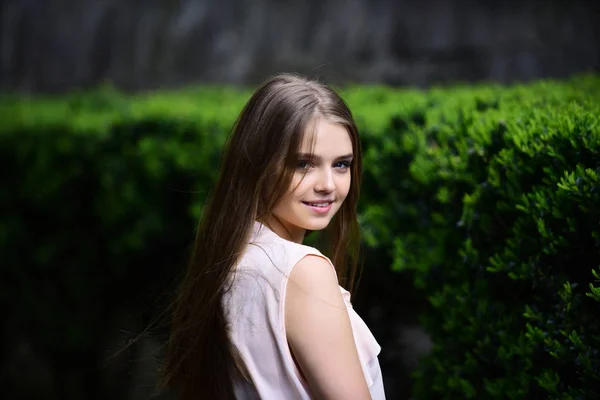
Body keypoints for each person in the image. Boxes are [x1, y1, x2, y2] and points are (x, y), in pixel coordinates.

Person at [157, 73, 385, 399]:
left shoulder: (231, 258)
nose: (328, 185)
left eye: (341, 164)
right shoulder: (302, 271)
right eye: (303, 163)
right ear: (259, 165)